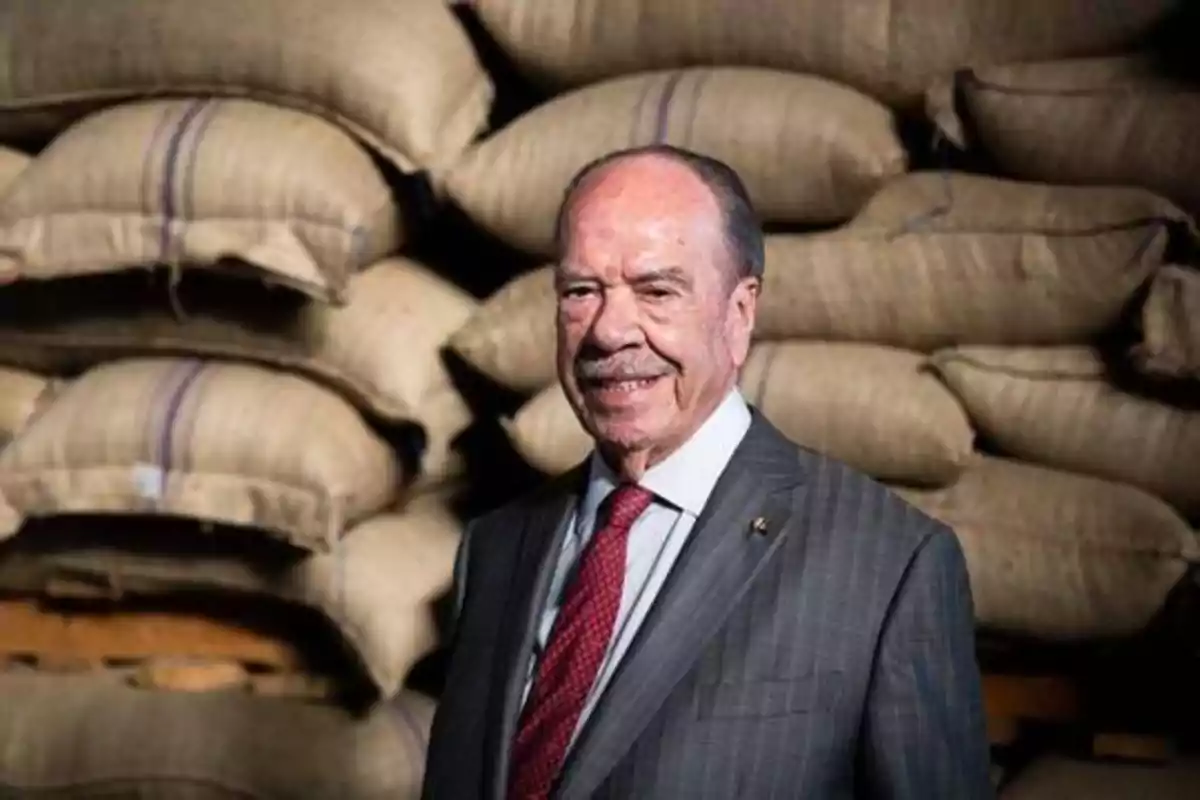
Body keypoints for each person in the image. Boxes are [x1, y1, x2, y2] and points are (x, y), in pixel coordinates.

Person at [422, 145, 994, 799]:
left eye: (657, 290)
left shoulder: (889, 568)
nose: (610, 331)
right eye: (581, 291)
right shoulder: (494, 552)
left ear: (739, 314)